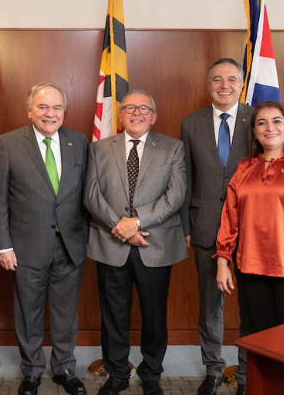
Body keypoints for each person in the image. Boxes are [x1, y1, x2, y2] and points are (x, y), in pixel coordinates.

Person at [85, 90, 188, 395]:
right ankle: (117, 374)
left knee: (155, 315)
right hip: (110, 242)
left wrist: (137, 222)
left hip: (154, 245)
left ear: (153, 116)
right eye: (130, 107)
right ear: (120, 114)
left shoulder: (173, 148)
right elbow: (91, 194)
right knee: (113, 315)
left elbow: (176, 196)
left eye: (144, 108)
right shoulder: (99, 148)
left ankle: (151, 373)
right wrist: (120, 226)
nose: (137, 113)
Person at [0, 82, 88, 395]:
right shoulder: (8, 143)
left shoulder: (79, 141)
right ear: (29, 110)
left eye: (57, 107)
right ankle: (31, 371)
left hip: (70, 245)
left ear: (64, 111)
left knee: (65, 313)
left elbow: (88, 194)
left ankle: (64, 368)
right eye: (43, 107)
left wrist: (86, 238)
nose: (50, 113)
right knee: (28, 312)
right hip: (25, 246)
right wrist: (3, 245)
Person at [215, 101, 284, 344]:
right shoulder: (244, 168)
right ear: (254, 131)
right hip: (251, 267)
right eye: (261, 123)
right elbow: (230, 217)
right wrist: (223, 261)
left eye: (276, 121)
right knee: (257, 336)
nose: (269, 128)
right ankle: (256, 384)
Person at [179, 58, 253, 395]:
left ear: (242, 83)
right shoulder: (190, 123)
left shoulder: (259, 119)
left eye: (232, 79)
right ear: (209, 85)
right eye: (218, 79)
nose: (225, 85)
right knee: (211, 304)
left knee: (252, 306)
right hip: (206, 225)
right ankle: (213, 369)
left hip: (253, 229)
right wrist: (186, 227)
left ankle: (247, 376)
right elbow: (186, 177)